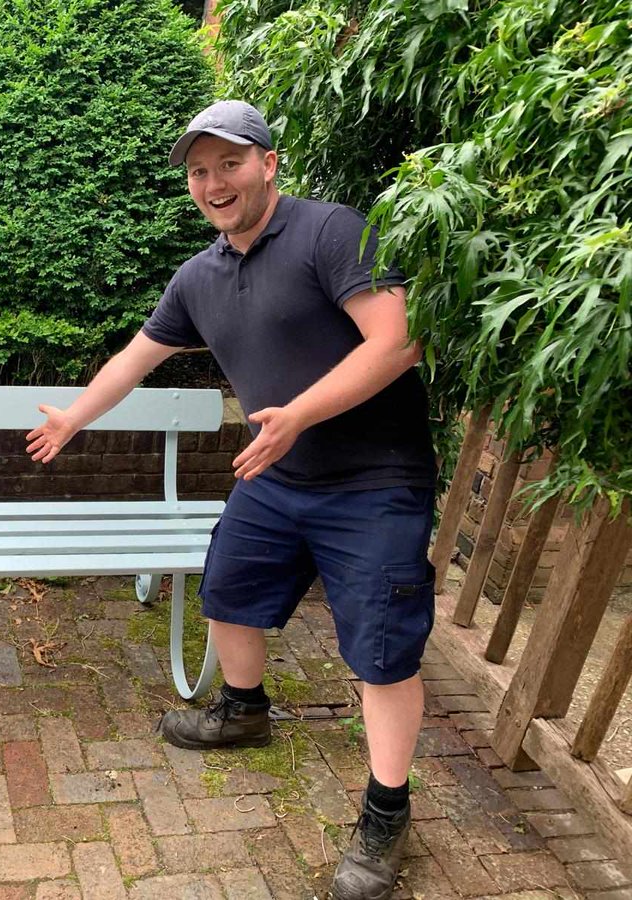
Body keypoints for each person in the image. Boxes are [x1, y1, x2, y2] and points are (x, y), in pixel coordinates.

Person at [25, 100, 437, 900]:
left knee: (383, 650)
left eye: (229, 163)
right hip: (275, 476)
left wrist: (300, 414)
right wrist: (75, 415)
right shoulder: (199, 278)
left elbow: (399, 341)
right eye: (198, 170)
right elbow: (137, 356)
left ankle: (387, 813)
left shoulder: (330, 232)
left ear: (268, 164)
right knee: (228, 589)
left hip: (375, 479)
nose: (213, 182)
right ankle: (243, 711)